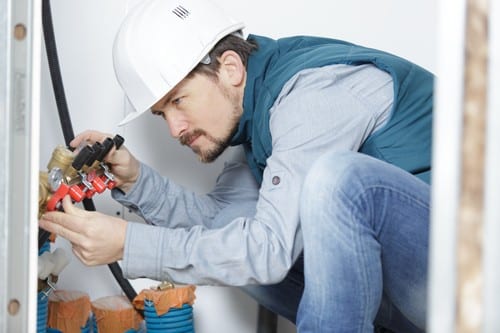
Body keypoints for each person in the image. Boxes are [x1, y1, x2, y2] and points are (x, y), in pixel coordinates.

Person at [39, 0, 433, 332]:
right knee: (232, 251)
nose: (174, 129)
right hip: (410, 298)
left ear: (230, 68)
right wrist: (139, 181)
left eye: (178, 101)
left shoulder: (310, 94)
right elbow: (224, 231)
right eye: (162, 114)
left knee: (336, 181)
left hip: (471, 277)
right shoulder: (254, 122)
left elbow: (268, 250)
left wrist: (128, 243)